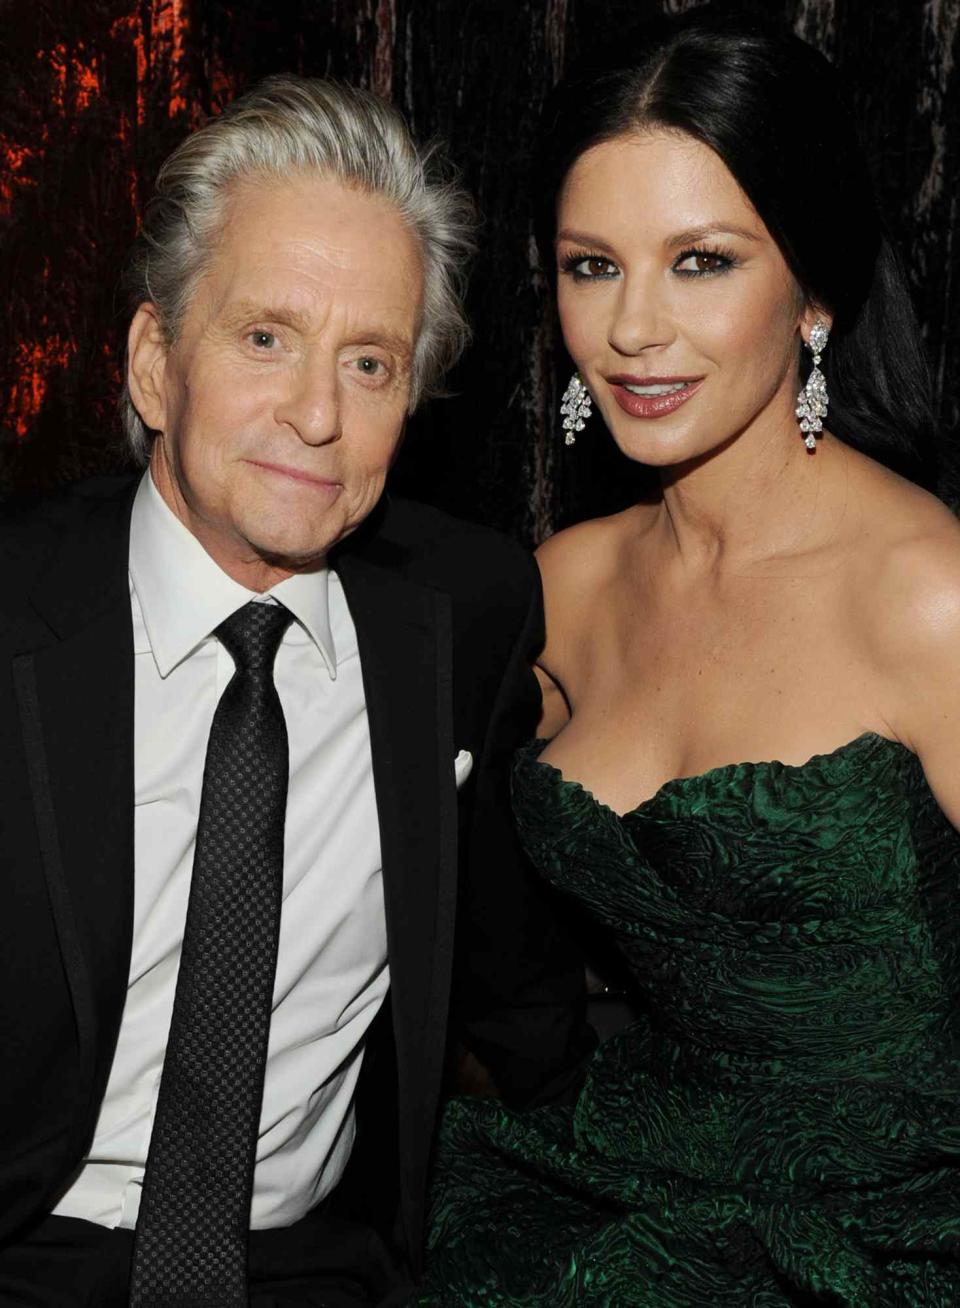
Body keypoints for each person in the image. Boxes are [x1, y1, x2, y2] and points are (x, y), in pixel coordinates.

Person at [0, 76, 593, 1307]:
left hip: (320, 1267)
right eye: (265, 337)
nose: (315, 415)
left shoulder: (464, 615)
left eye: (369, 362)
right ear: (157, 365)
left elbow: (513, 975)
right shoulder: (15, 608)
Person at [419, 9, 960, 1305]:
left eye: (702, 262)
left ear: (814, 289)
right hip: (615, 1169)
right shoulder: (555, 592)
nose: (632, 331)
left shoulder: (930, 601)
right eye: (592, 267)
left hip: (900, 1236)